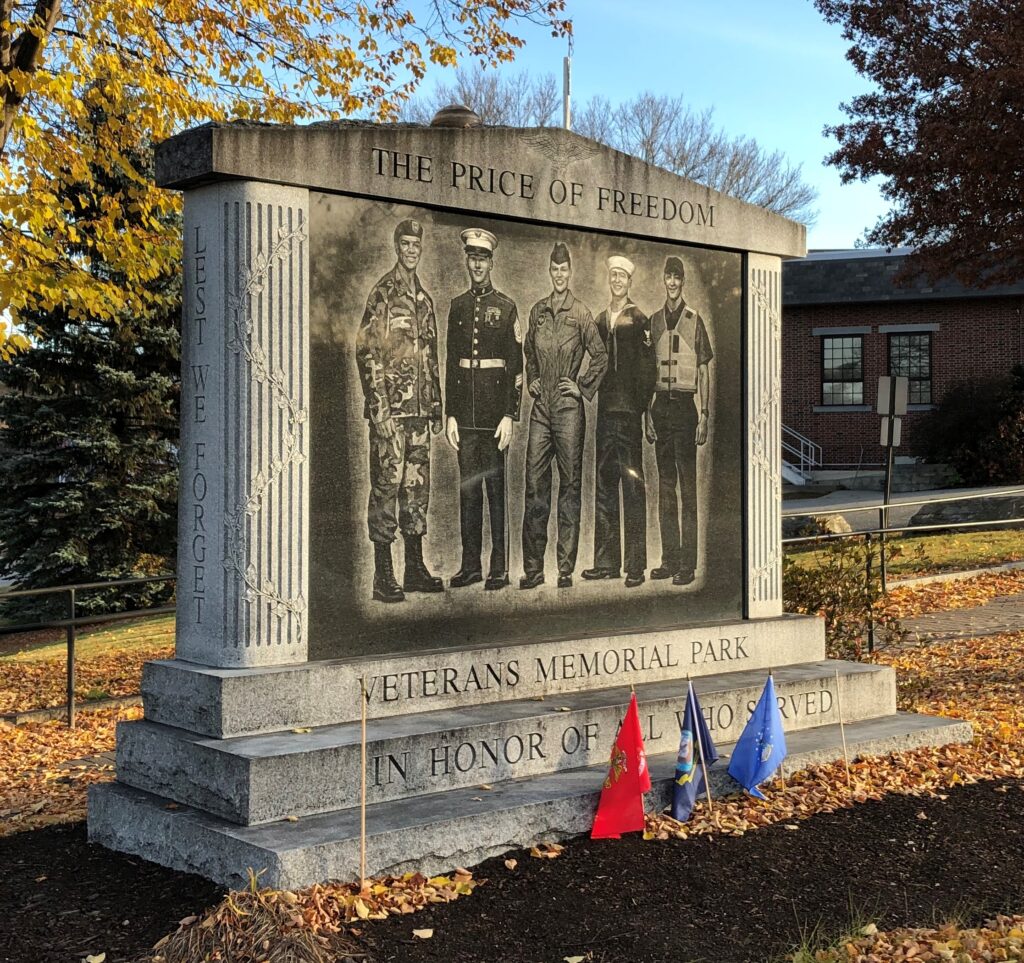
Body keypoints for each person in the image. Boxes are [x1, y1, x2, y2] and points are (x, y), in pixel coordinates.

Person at [355, 218, 444, 603]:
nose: (411, 250)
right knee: (386, 489)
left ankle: (414, 568)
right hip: (391, 413)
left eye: (416, 245)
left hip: (420, 414)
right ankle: (383, 575)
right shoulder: (383, 295)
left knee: (416, 490)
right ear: (396, 247)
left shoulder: (424, 300)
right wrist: (380, 410)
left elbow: (431, 357)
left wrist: (437, 404)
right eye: (406, 244)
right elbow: (366, 352)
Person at [521, 242, 607, 590]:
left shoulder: (581, 313)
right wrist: (534, 379)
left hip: (569, 411)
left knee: (569, 489)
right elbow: (528, 352)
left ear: (570, 272)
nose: (559, 275)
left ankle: (566, 569)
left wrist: (582, 386)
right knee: (534, 486)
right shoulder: (538, 311)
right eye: (554, 269)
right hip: (541, 410)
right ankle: (533, 570)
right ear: (550, 272)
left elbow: (600, 356)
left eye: (564, 269)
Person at [444, 228, 523, 591]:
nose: (477, 264)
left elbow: (515, 366)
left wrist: (510, 414)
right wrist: (450, 414)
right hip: (467, 417)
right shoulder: (458, 306)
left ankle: (500, 567)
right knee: (468, 492)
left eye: (482, 258)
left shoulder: (506, 307)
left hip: (494, 417)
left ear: (491, 262)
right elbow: (451, 364)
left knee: (495, 492)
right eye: (472, 257)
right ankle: (470, 565)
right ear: (467, 260)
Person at [583, 255, 656, 588]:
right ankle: (607, 562)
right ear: (608, 279)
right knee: (604, 486)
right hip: (605, 414)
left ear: (629, 282)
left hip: (628, 416)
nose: (617, 281)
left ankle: (636, 565)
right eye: (612, 275)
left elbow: (648, 370)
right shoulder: (599, 319)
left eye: (622, 277)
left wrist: (640, 408)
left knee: (633, 487)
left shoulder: (639, 320)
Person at [646, 255, 713, 585]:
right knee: (665, 488)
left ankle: (688, 563)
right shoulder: (654, 320)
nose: (672, 282)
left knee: (687, 489)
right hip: (660, 408)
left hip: (686, 410)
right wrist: (647, 413)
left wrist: (705, 414)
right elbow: (647, 373)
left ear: (682, 281)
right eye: (668, 276)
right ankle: (669, 559)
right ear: (663, 280)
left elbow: (703, 370)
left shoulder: (694, 319)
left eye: (677, 277)